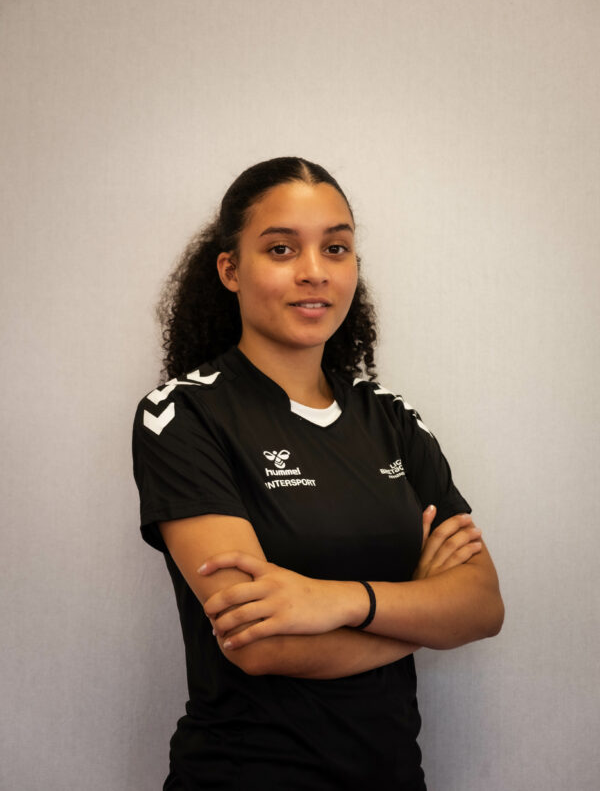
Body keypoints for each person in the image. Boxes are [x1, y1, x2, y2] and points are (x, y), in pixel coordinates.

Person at [132, 156, 504, 790]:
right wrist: (421, 614)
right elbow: (261, 645)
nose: (314, 271)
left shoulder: (390, 417)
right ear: (230, 269)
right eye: (281, 249)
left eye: (336, 248)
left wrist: (337, 600)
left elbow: (482, 605)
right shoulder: (183, 414)